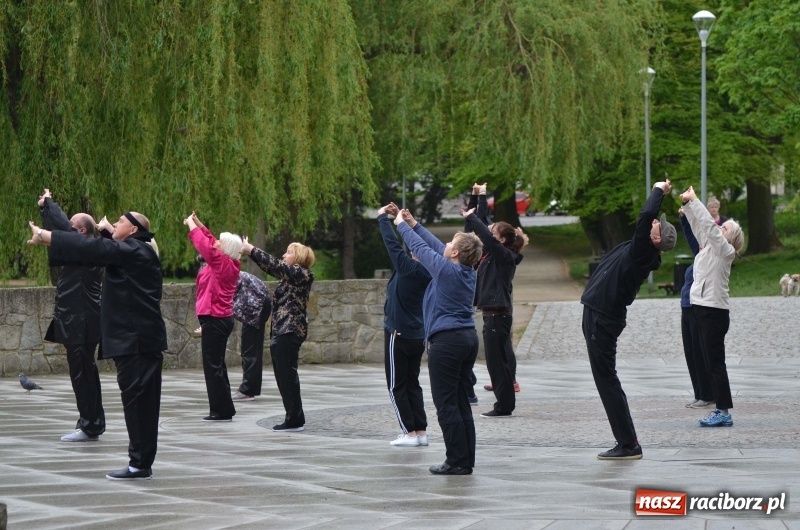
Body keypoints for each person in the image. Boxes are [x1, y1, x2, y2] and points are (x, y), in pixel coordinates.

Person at [28, 210, 168, 480]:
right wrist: (106, 231)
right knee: (143, 406)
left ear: (134, 230)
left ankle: (139, 464)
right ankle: (141, 463)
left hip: (136, 343)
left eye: (121, 223)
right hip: (139, 341)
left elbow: (93, 246)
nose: (115, 224)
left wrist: (47, 236)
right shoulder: (135, 250)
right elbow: (101, 249)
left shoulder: (135, 250)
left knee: (139, 405)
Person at [580, 180, 677, 460]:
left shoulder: (642, 253)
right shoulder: (640, 249)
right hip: (598, 315)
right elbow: (646, 219)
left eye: (656, 226)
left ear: (656, 240)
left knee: (606, 380)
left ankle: (628, 443)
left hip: (602, 319)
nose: (653, 223)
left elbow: (645, 216)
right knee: (606, 378)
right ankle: (627, 441)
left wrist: (658, 190)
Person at [393, 208, 483, 475]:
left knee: (446, 404)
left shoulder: (446, 271)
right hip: (466, 338)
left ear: (454, 253)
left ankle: (455, 460)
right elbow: (433, 246)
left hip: (447, 343)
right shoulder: (465, 271)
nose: (445, 245)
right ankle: (465, 460)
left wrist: (401, 226)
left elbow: (421, 248)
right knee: (460, 402)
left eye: (450, 244)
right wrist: (415, 223)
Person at [38, 189, 105, 442]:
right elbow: (60, 234)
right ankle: (90, 422)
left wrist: (48, 205)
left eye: (73, 228)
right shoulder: (82, 249)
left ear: (83, 233)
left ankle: (90, 425)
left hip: (82, 322)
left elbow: (63, 231)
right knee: (84, 372)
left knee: (83, 373)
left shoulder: (86, 249)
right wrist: (47, 213)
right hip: (78, 320)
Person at [681, 186, 745, 428]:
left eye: (725, 228)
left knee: (716, 363)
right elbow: (701, 228)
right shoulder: (710, 247)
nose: (721, 227)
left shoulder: (725, 250)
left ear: (731, 238)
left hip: (714, 312)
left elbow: (709, 227)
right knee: (709, 361)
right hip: (702, 308)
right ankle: (719, 408)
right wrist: (688, 207)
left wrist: (696, 201)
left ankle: (723, 411)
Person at [462, 184, 527, 419]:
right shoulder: (493, 254)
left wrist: (473, 216)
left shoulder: (504, 256)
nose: (489, 231)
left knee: (497, 363)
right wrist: (477, 196)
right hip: (493, 315)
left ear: (501, 239)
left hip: (497, 316)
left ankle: (504, 405)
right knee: (497, 361)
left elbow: (486, 236)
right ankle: (505, 403)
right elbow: (479, 228)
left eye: (493, 231)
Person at [241, 238, 315, 432]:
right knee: (284, 376)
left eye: (288, 252)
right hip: (282, 331)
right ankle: (294, 416)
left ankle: (294, 419)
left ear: (298, 257)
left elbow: (274, 265)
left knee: (287, 376)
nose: (284, 255)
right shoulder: (289, 277)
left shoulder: (301, 274)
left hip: (289, 331)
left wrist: (251, 249)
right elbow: (274, 268)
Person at [377, 203, 431, 447]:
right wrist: (409, 223)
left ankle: (408, 432)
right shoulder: (429, 271)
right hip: (417, 334)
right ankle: (420, 431)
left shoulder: (409, 268)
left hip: (398, 333)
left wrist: (383, 219)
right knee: (412, 383)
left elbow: (392, 245)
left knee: (396, 385)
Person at [185, 212, 242, 421]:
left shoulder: (222, 264)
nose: (216, 242)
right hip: (216, 318)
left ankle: (220, 410)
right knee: (217, 364)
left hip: (216, 318)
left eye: (220, 241)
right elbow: (209, 240)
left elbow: (204, 245)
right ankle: (224, 408)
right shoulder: (225, 263)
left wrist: (191, 225)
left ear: (225, 249)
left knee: (213, 366)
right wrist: (199, 223)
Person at [678, 207, 713, 409]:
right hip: (686, 307)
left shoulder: (712, 255)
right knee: (690, 351)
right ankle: (699, 392)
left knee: (699, 352)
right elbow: (692, 237)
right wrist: (684, 218)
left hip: (697, 307)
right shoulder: (701, 253)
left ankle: (706, 394)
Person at [232, 271, 272, 402]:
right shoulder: (224, 268)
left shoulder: (219, 271)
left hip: (255, 306)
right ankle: (250, 388)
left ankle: (248, 390)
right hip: (256, 304)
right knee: (250, 349)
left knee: (250, 350)